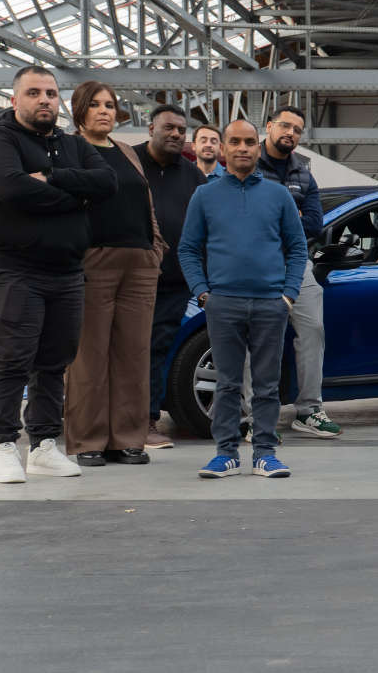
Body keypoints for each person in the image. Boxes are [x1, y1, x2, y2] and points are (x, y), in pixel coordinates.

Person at [0, 66, 115, 484]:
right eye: (34, 92)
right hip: (12, 268)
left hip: (67, 271)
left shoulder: (73, 144)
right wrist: (75, 198)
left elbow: (108, 182)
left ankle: (42, 446)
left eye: (52, 93)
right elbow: (14, 189)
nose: (45, 100)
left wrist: (55, 178)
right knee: (11, 359)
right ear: (14, 100)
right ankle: (2, 446)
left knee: (54, 363)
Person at [179, 119, 309, 480]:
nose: (242, 148)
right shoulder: (205, 195)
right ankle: (226, 454)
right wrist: (203, 293)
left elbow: (298, 248)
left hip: (271, 303)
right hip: (223, 303)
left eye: (249, 142)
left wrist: (288, 295)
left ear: (257, 146)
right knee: (227, 384)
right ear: (223, 148)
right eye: (234, 142)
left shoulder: (278, 194)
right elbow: (188, 248)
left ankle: (265, 453)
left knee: (267, 386)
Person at [64, 82, 167, 467]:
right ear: (79, 111)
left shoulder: (126, 152)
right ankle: (87, 439)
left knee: (134, 355)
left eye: (110, 105)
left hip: (140, 261)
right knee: (89, 355)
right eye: (95, 105)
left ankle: (127, 438)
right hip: (93, 259)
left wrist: (155, 248)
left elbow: (145, 202)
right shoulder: (69, 149)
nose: (105, 111)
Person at [256, 105, 341, 440]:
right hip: (256, 262)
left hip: (295, 261)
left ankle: (309, 410)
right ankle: (251, 415)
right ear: (269, 126)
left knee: (313, 329)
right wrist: (290, 215)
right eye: (284, 125)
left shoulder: (303, 173)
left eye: (297, 129)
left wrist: (280, 219)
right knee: (259, 337)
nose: (290, 133)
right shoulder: (250, 163)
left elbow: (314, 223)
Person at [141, 104, 202, 450]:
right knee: (120, 351)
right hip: (129, 277)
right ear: (151, 129)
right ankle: (107, 422)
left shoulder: (195, 177)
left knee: (155, 350)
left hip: (173, 284)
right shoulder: (129, 164)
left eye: (181, 129)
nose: (177, 134)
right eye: (169, 128)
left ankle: (147, 421)